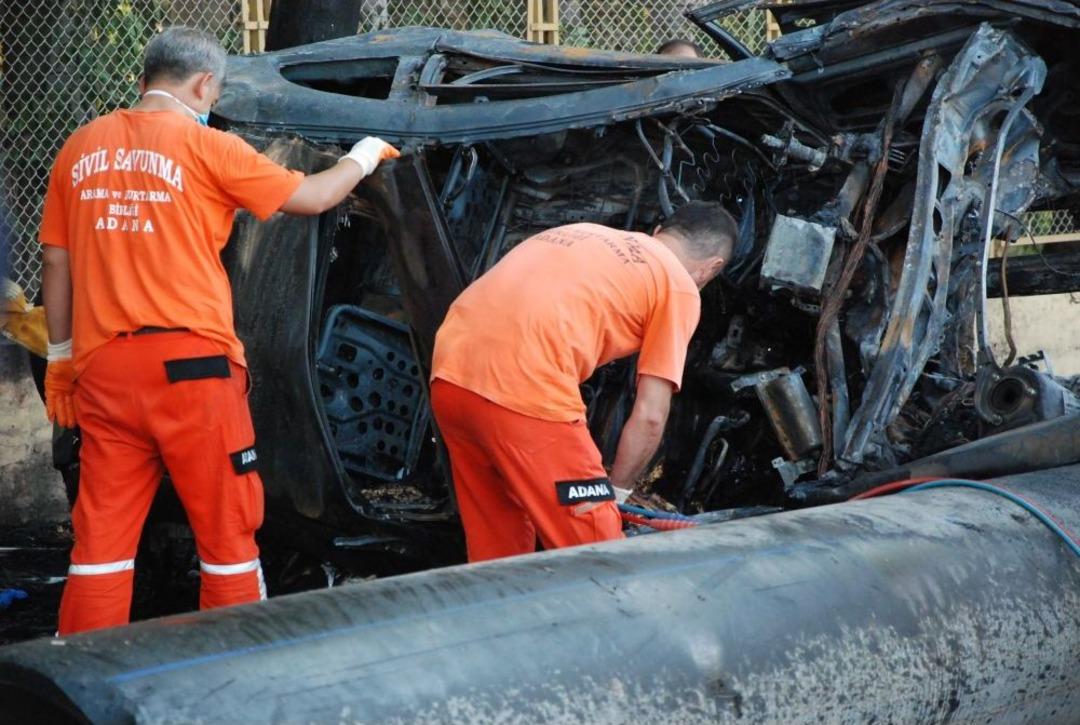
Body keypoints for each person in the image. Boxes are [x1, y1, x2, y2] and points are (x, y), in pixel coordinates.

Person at [39, 27, 399, 635]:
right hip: (194, 372)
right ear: (206, 84)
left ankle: (76, 683)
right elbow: (311, 196)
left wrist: (60, 359)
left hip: (103, 371)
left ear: (141, 80)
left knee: (100, 546)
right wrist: (362, 155)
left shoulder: (80, 147)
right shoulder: (210, 149)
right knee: (228, 536)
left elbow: (54, 261)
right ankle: (232, 684)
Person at [430, 202, 736, 562]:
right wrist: (616, 494)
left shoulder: (584, 232)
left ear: (658, 232)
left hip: (450, 377)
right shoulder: (679, 284)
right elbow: (652, 415)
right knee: (600, 555)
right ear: (711, 268)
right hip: (525, 392)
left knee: (500, 551)